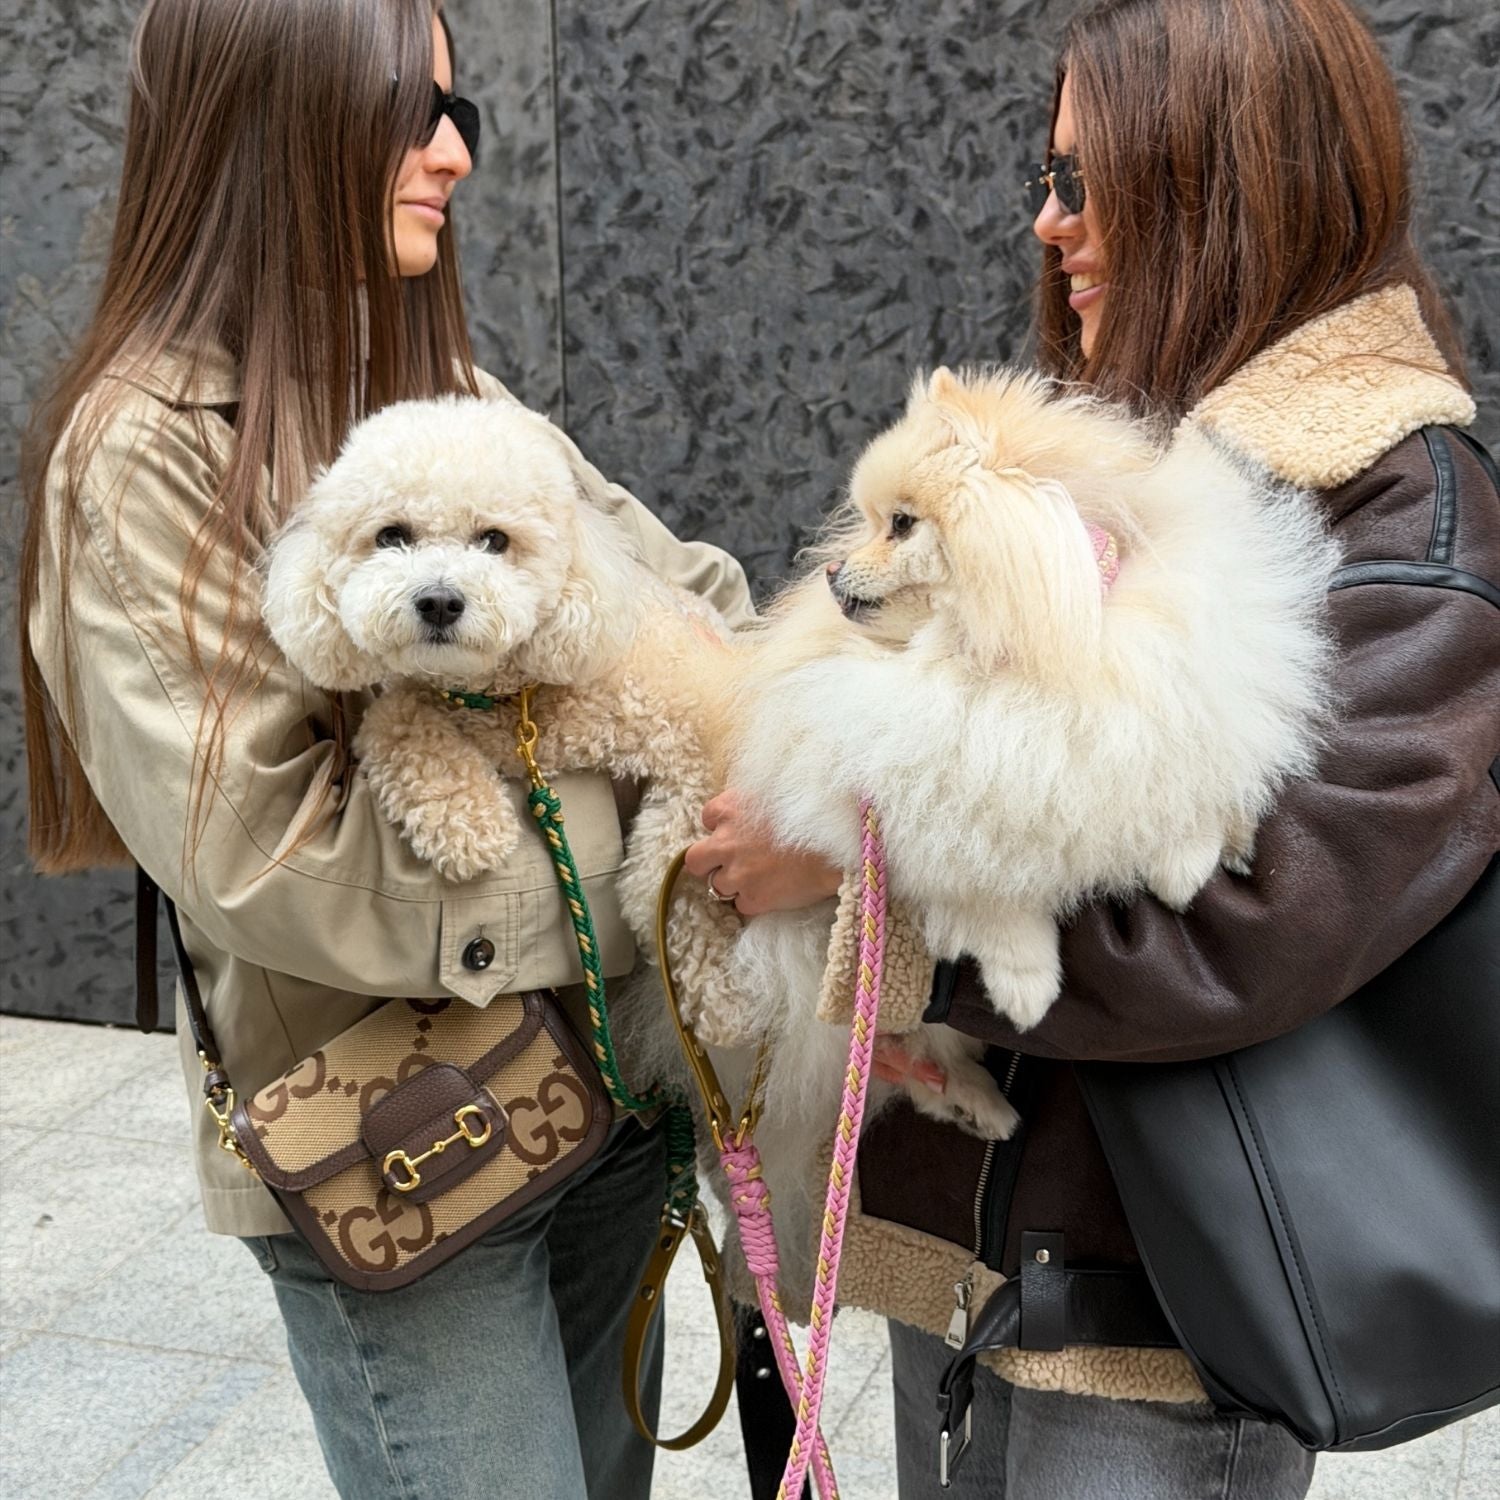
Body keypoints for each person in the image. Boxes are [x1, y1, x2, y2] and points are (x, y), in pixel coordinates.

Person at [685, 0, 1500, 1495]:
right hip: (968, 1256)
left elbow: (1264, 923)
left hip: (1159, 1320)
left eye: (1079, 179)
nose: (1045, 221)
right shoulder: (1092, 463)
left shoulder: (1395, 503)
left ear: (1218, 184)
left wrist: (861, 883)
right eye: (1045, 173)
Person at [18, 3, 753, 1498]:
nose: (455, 154)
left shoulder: (442, 388)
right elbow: (275, 857)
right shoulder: (146, 446)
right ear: (282, 121)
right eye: (414, 112)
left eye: (457, 109)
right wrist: (667, 876)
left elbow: (693, 603)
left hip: (606, 1092)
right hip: (398, 1136)